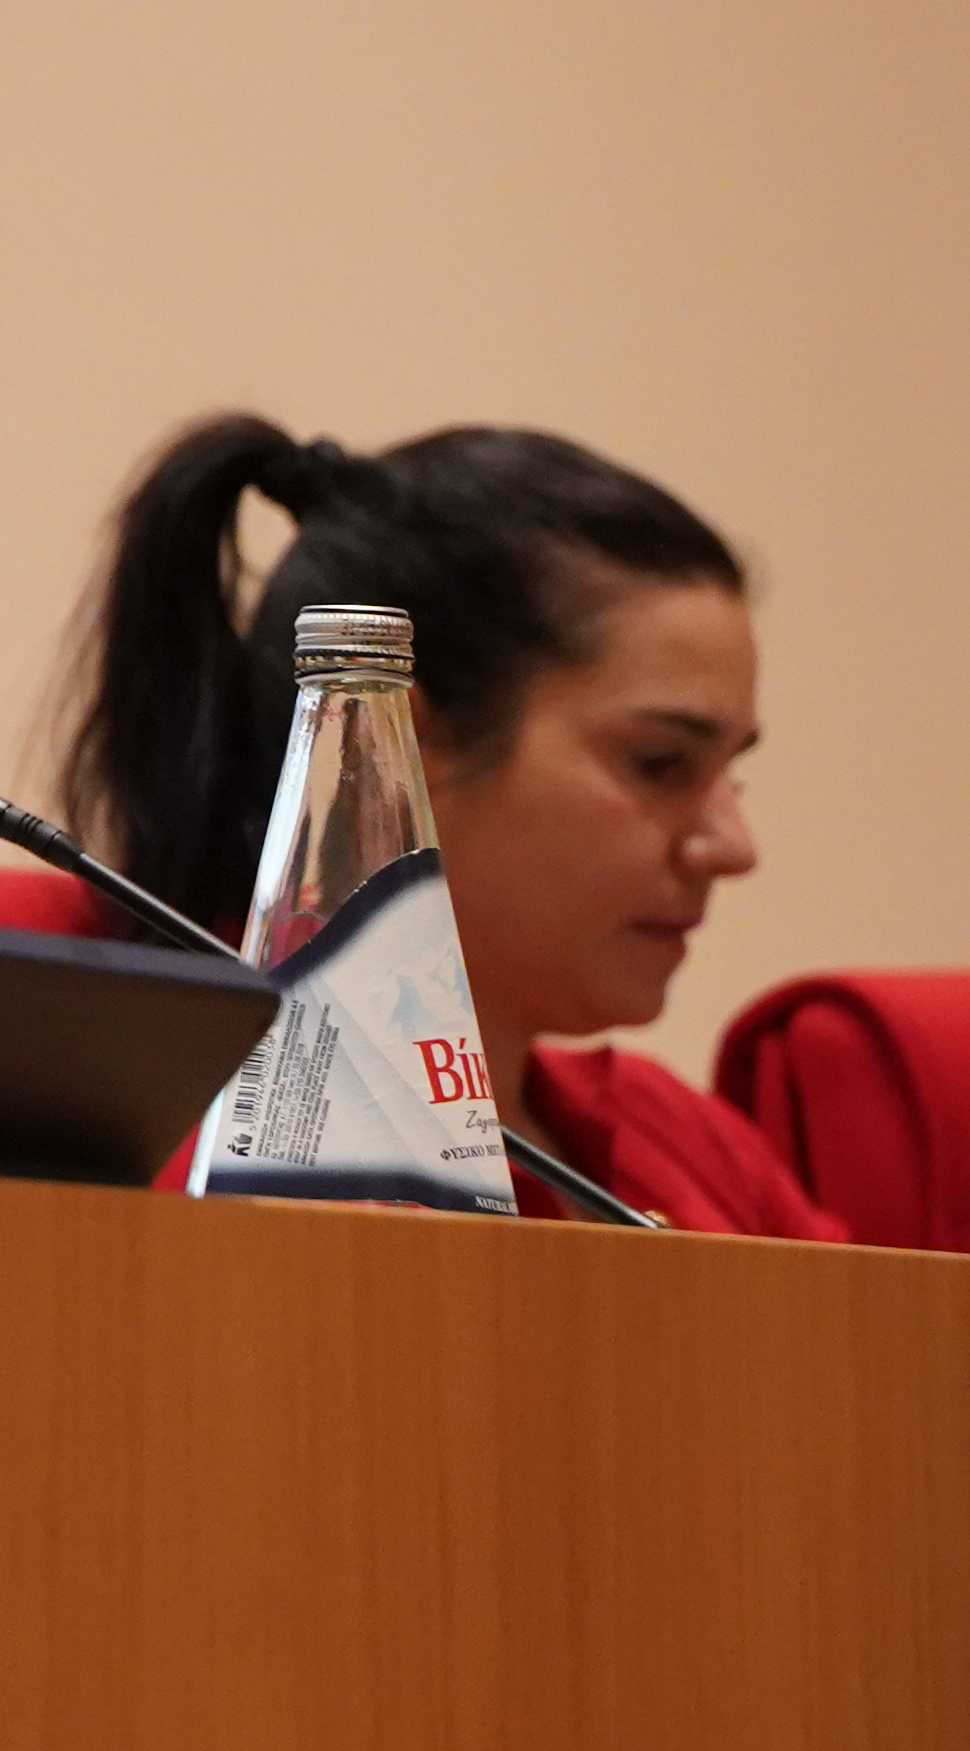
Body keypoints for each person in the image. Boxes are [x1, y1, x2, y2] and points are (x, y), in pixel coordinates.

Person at [59, 418, 833, 1238]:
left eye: (731, 773)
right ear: (400, 741)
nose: (734, 849)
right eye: (661, 763)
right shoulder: (185, 1155)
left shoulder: (685, 1138)